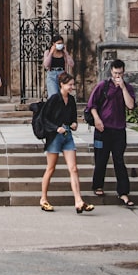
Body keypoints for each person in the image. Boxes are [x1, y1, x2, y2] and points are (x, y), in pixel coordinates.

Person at [39, 72, 94, 214]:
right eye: (70, 84)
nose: (72, 87)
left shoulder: (71, 100)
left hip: (67, 135)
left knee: (74, 168)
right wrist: (55, 128)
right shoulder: (54, 99)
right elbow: (44, 118)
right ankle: (43, 198)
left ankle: (78, 201)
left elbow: (72, 117)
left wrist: (74, 123)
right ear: (62, 85)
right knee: (50, 168)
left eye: (73, 84)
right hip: (55, 137)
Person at [87, 59, 136, 207]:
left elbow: (131, 105)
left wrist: (122, 88)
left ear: (123, 73)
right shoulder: (103, 86)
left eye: (120, 73)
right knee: (100, 159)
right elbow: (92, 105)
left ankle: (123, 192)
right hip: (103, 129)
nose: (117, 76)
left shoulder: (127, 88)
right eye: (115, 73)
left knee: (119, 160)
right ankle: (98, 186)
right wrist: (97, 120)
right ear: (111, 72)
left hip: (119, 129)